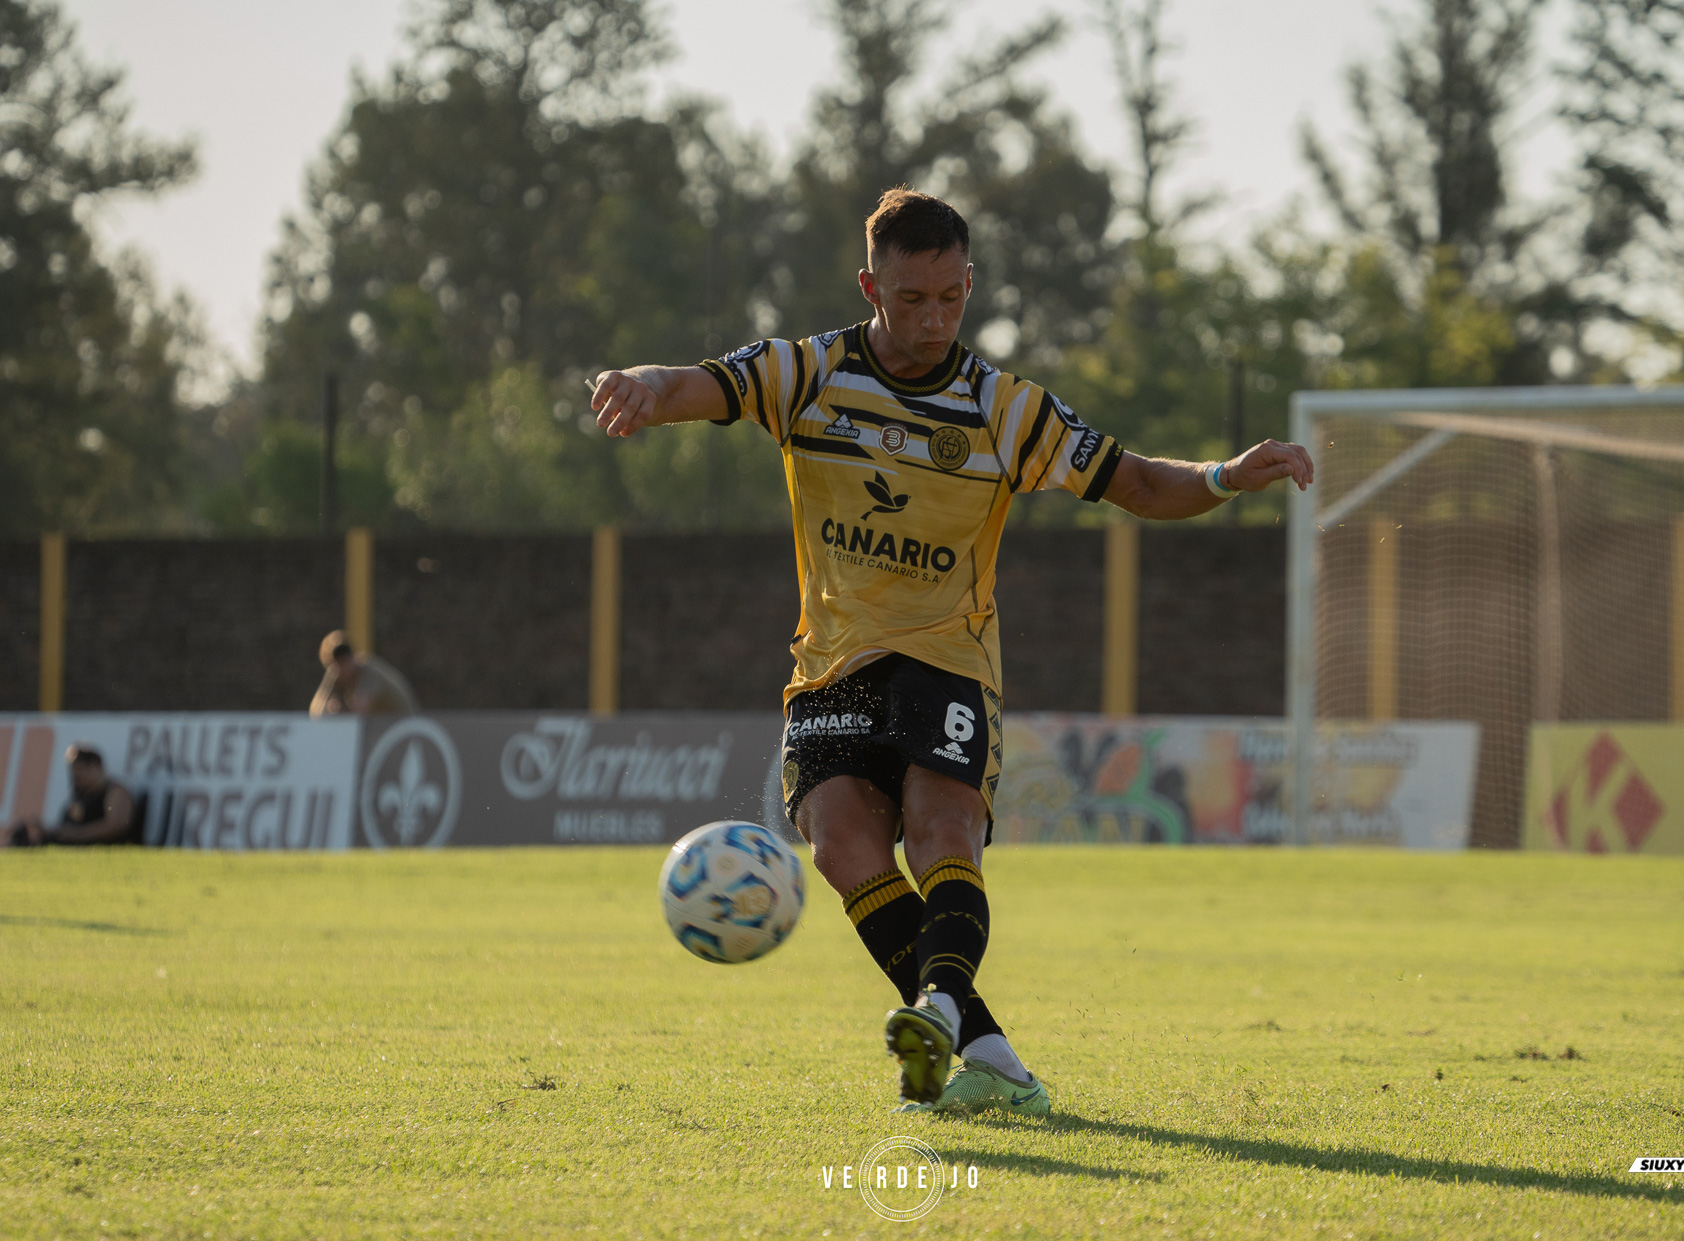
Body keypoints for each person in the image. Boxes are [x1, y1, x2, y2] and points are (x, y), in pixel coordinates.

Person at [588, 188, 1314, 1117]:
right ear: (870, 286)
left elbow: (1133, 479)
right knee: (843, 846)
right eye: (911, 298)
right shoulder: (805, 374)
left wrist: (1220, 476)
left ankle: (934, 1007)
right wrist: (646, 386)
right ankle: (987, 1051)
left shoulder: (1005, 411)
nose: (933, 319)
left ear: (968, 285)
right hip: (831, 664)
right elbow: (697, 382)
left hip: (946, 657)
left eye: (951, 296)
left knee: (942, 832)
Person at [4, 744, 140, 847]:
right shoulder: (81, 795)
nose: (75, 777)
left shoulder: (115, 792)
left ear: (94, 766)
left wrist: (77, 835)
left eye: (79, 771)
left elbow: (117, 826)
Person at [309, 631, 419, 717]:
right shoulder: (336, 674)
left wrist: (337, 710)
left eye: (345, 660)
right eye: (338, 664)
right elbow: (316, 711)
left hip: (403, 726)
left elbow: (359, 713)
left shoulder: (369, 672)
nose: (343, 668)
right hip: (384, 728)